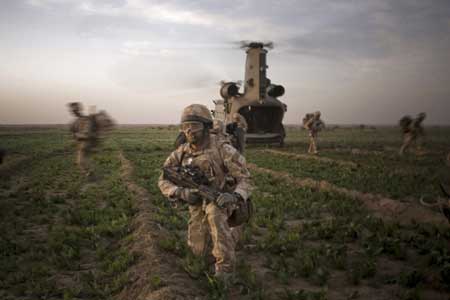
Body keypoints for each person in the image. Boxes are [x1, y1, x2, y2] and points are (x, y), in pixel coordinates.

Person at [158, 104, 252, 286]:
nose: (189, 130)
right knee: (198, 253)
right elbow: (163, 179)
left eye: (194, 125)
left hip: (222, 199)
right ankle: (227, 239)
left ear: (206, 126)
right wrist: (181, 192)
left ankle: (225, 270)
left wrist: (235, 197)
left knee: (215, 215)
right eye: (185, 126)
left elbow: (246, 179)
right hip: (196, 201)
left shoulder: (223, 149)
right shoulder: (182, 152)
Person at [68, 102, 102, 177]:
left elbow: (88, 134)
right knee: (82, 161)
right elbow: (73, 132)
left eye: (75, 110)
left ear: (79, 110)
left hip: (87, 144)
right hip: (82, 144)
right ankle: (90, 173)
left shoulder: (87, 120)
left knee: (80, 161)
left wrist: (78, 135)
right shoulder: (75, 122)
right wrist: (75, 137)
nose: (74, 112)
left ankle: (90, 175)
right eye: (73, 111)